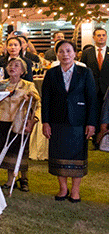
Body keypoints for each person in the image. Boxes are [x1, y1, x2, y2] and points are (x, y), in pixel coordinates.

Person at [41, 40, 98, 203]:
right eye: (61, 51)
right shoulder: (51, 73)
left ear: (75, 53)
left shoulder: (85, 72)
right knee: (58, 155)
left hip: (79, 120)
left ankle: (75, 190)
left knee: (77, 156)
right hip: (57, 120)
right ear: (56, 54)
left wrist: (91, 123)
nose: (65, 54)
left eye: (68, 51)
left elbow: (92, 99)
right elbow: (46, 99)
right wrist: (45, 122)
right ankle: (63, 188)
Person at [0, 58, 40, 192]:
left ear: (23, 71)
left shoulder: (28, 85)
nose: (13, 67)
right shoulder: (1, 84)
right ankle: (10, 180)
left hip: (19, 121)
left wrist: (31, 97)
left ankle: (23, 178)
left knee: (19, 151)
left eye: (17, 66)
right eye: (10, 65)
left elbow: (37, 101)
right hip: (2, 119)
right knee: (6, 152)